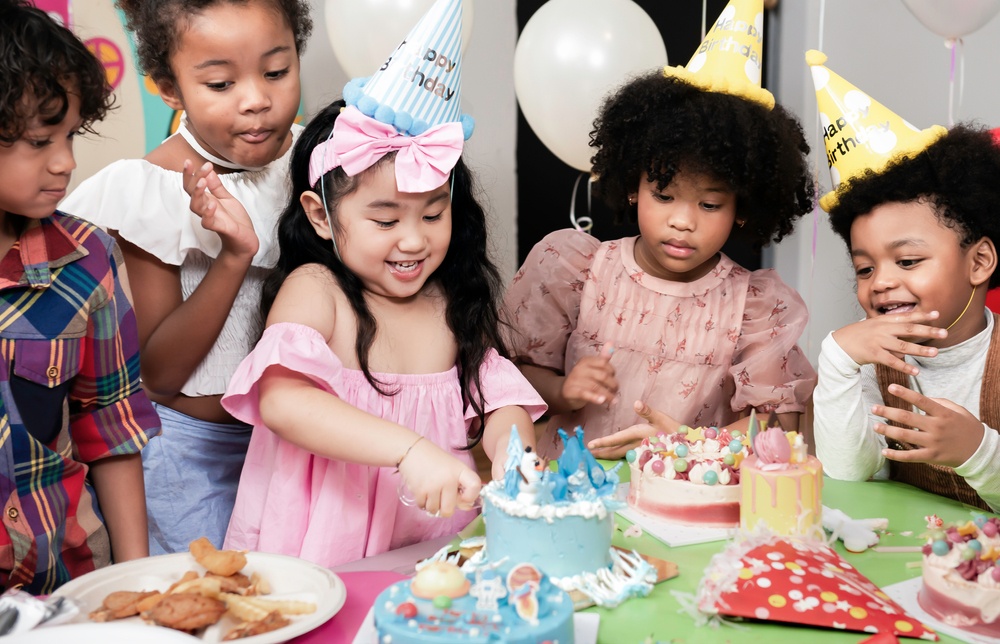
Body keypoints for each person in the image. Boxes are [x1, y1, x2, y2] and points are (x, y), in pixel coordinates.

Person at [218, 98, 544, 567]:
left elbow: (501, 403)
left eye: (433, 215)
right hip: (326, 543)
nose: (413, 240)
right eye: (386, 220)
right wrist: (409, 449)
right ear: (319, 216)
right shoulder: (315, 290)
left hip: (430, 538)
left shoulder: (450, 302)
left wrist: (516, 459)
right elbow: (284, 402)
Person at [59, 0, 313, 554]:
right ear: (170, 89)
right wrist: (232, 256)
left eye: (276, 71)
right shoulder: (152, 188)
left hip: (300, 444)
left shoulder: (318, 161)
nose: (257, 99)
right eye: (221, 83)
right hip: (192, 457)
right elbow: (160, 374)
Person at [506, 68, 817, 460]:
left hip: (688, 499)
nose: (683, 221)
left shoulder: (754, 306)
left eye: (709, 204)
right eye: (664, 195)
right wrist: (561, 390)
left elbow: (776, 426)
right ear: (634, 187)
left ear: (742, 208)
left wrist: (686, 442)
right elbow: (509, 380)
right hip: (574, 495)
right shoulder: (577, 270)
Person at [0, 0, 160, 593]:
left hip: (66, 581)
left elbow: (110, 426)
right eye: (40, 141)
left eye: (70, 135)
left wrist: (138, 580)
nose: (66, 162)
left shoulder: (88, 258)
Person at [812, 124, 1000, 512]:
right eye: (864, 269)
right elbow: (850, 473)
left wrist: (977, 451)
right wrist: (837, 359)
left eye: (908, 261)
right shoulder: (872, 363)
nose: (880, 282)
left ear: (979, 262)